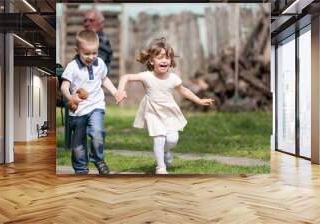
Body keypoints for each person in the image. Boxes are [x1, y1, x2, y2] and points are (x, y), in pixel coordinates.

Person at [116, 37, 214, 174]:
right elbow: (126, 77)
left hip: (169, 113)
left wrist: (199, 100)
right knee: (159, 139)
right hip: (153, 112)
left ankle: (167, 151)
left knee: (173, 139)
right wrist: (120, 90)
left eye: (167, 57)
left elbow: (184, 91)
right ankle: (160, 167)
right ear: (151, 60)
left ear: (171, 61)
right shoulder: (147, 76)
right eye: (160, 57)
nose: (164, 60)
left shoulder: (173, 78)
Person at [61, 30, 122, 175]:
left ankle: (98, 159)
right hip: (79, 110)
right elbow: (64, 87)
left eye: (94, 53)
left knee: (97, 132)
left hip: (96, 106)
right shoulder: (72, 67)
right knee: (78, 145)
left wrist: (115, 92)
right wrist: (71, 98)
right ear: (77, 50)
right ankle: (81, 170)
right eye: (86, 53)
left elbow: (104, 79)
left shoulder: (100, 63)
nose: (91, 57)